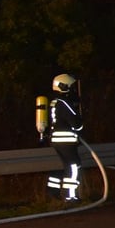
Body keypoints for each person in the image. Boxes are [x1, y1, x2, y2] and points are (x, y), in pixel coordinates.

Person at [45, 73, 84, 202]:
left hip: (55, 140)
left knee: (62, 166)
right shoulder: (64, 103)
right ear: (64, 86)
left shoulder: (54, 102)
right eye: (71, 87)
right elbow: (77, 124)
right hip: (66, 141)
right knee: (73, 166)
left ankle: (52, 194)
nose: (73, 90)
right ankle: (70, 195)